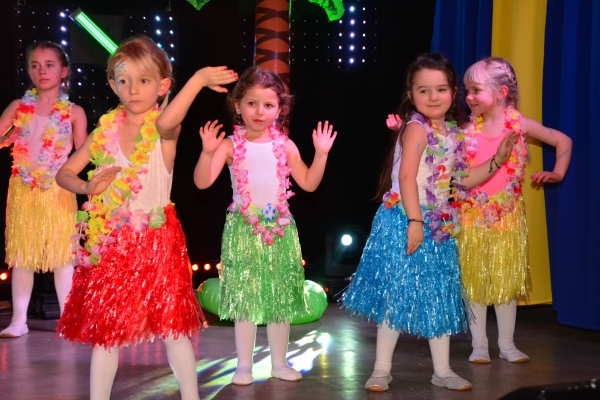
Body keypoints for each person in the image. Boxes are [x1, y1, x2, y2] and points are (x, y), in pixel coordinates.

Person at [54, 36, 237, 400]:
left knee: (172, 329)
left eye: (143, 80)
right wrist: (87, 186)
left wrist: (198, 80)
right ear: (113, 85)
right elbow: (64, 173)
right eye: (124, 81)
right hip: (112, 244)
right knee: (106, 334)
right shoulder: (104, 131)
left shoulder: (163, 130)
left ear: (163, 86)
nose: (133, 89)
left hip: (157, 242)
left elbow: (168, 120)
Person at [341, 53, 519, 392]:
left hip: (438, 224)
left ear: (453, 92)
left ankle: (443, 370)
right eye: (423, 90)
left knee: (439, 297)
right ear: (411, 95)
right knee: (396, 296)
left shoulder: (452, 133)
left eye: (440, 89)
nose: (433, 97)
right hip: (405, 219)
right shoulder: (415, 129)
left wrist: (498, 160)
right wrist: (414, 220)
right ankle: (381, 370)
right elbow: (407, 177)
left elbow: (462, 179)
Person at [157, 65, 337, 385]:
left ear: (279, 109)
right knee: (245, 301)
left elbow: (308, 183)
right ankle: (244, 366)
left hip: (280, 230)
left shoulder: (286, 146)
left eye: (268, 105)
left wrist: (321, 155)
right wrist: (207, 152)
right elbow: (202, 182)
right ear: (237, 105)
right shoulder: (230, 145)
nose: (259, 111)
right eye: (251, 103)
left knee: (280, 300)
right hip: (243, 230)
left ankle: (279, 363)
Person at [459, 57, 572, 364]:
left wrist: (558, 172)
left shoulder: (519, 126)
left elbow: (563, 140)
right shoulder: (466, 131)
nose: (469, 97)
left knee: (505, 281)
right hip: (471, 216)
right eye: (467, 91)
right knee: (475, 281)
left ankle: (506, 344)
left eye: (476, 90)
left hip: (507, 215)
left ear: (501, 93)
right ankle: (479, 344)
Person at [0, 41, 87, 338]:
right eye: (35, 66)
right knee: (22, 255)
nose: (42, 71)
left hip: (59, 189)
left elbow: (82, 155)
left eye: (49, 65)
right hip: (24, 189)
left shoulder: (74, 112)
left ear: (63, 71)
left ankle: (68, 318)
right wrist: (9, 136)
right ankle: (18, 320)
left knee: (63, 257)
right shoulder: (18, 107)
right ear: (28, 71)